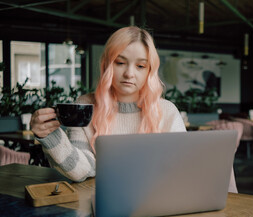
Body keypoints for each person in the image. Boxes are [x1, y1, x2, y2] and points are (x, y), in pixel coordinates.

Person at [31, 26, 237, 193]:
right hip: (100, 203)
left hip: (157, 201)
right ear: (107, 65)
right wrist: (51, 136)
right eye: (120, 62)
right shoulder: (85, 106)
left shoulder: (166, 111)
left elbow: (180, 170)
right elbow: (82, 170)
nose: (129, 73)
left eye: (140, 66)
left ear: (150, 70)